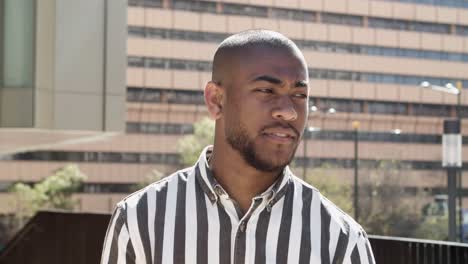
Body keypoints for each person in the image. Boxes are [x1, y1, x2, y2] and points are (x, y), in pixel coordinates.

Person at [101, 29, 375, 264]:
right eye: (267, 91)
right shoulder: (140, 220)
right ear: (216, 100)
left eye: (299, 95)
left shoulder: (341, 241)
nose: (289, 112)